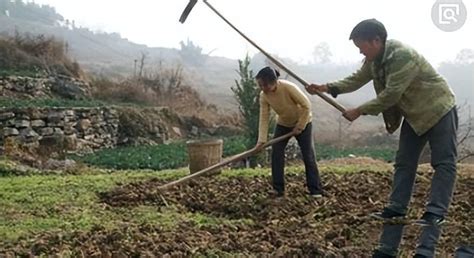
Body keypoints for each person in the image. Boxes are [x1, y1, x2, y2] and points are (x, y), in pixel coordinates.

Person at [306, 19, 458, 258]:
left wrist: (359, 111)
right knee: (404, 162)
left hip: (438, 108)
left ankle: (435, 212)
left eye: (361, 46)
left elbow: (391, 95)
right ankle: (397, 208)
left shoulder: (402, 56)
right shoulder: (374, 60)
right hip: (414, 114)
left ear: (376, 40)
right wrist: (325, 87)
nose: (360, 51)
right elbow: (356, 79)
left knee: (443, 163)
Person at [255, 66, 323, 198]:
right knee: (276, 153)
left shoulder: (288, 87)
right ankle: (278, 189)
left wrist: (300, 126)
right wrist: (261, 140)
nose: (262, 88)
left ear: (273, 81)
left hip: (303, 122)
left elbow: (306, 105)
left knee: (308, 155)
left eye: (264, 85)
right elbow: (264, 117)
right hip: (283, 124)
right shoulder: (264, 96)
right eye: (260, 85)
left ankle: (315, 190)